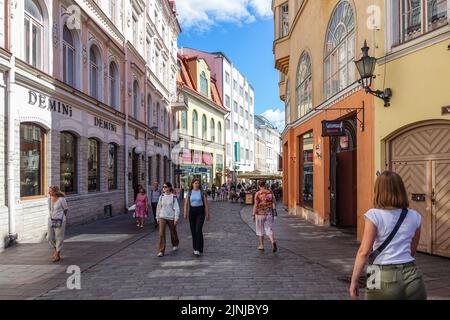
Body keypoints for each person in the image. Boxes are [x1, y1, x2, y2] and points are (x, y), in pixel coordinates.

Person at [349, 171, 427, 300]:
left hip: (377, 271)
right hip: (412, 274)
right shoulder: (415, 216)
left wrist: (354, 281)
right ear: (401, 190)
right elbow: (412, 251)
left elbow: (364, 251)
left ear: (378, 191)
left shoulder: (374, 215)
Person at [184, 178, 210, 256]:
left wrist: (207, 214)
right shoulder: (189, 192)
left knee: (198, 229)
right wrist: (185, 213)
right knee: (193, 231)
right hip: (192, 212)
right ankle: (195, 248)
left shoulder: (202, 192)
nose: (196, 184)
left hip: (200, 211)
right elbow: (186, 204)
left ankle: (198, 249)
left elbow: (206, 204)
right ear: (192, 184)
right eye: (195, 183)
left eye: (198, 183)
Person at [156, 182, 180, 257]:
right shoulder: (161, 196)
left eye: (165, 187)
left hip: (171, 217)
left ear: (169, 188)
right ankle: (161, 250)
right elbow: (158, 207)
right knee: (161, 233)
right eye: (163, 187)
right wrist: (157, 217)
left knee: (173, 232)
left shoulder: (173, 197)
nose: (164, 188)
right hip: (162, 216)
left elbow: (177, 208)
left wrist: (176, 218)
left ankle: (175, 243)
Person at [252, 180, 277, 252]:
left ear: (259, 185)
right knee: (269, 229)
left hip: (259, 214)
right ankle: (273, 242)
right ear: (265, 184)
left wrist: (253, 214)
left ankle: (261, 245)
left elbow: (255, 205)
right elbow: (274, 202)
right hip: (269, 214)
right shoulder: (270, 193)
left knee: (260, 230)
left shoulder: (258, 194)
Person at [47, 186, 69, 262]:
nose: (48, 193)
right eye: (48, 191)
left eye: (50, 191)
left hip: (60, 220)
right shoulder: (49, 199)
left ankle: (57, 254)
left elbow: (66, 209)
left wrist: (62, 218)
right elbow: (50, 210)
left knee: (59, 237)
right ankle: (56, 249)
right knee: (49, 237)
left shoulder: (61, 199)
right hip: (51, 220)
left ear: (55, 191)